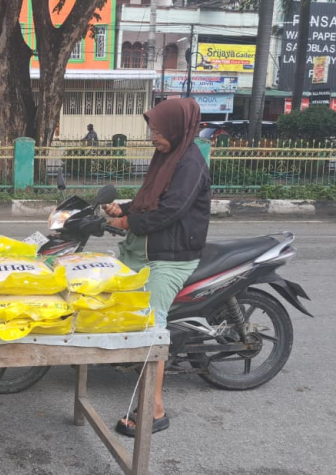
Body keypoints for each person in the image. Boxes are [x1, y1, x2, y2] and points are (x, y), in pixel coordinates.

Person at [102, 97, 211, 437]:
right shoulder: (166, 156)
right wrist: (122, 208)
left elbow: (169, 211)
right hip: (143, 249)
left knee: (152, 323)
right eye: (152, 130)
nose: (153, 136)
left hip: (170, 256)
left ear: (177, 129)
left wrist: (127, 223)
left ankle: (156, 408)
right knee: (103, 288)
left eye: (158, 130)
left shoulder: (190, 163)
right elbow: (151, 198)